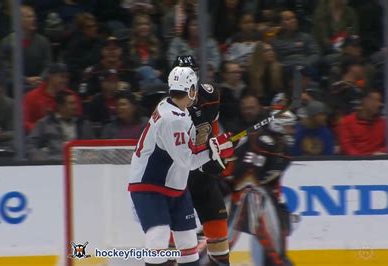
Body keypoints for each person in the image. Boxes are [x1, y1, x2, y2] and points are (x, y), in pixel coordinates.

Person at [127, 66, 234, 266]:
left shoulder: (173, 108)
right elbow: (188, 161)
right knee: (159, 236)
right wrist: (215, 151)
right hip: (151, 186)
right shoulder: (172, 119)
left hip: (174, 186)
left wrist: (214, 146)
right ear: (192, 91)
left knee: (187, 240)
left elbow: (190, 147)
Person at [173, 56, 231, 265]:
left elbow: (213, 130)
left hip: (203, 178)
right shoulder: (168, 108)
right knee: (173, 246)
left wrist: (218, 149)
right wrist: (207, 155)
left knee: (220, 239)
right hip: (177, 182)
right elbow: (175, 153)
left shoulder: (211, 94)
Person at [227, 106, 297, 266]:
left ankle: (275, 259)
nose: (292, 130)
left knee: (282, 224)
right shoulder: (262, 141)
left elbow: (272, 180)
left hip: (258, 193)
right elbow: (246, 177)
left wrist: (276, 199)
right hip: (240, 193)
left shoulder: (281, 148)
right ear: (278, 125)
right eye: (288, 126)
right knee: (226, 236)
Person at [26, 90, 94, 161]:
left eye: (75, 103)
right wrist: (43, 160)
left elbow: (92, 147)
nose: (75, 106)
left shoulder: (83, 124)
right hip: (53, 164)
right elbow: (30, 145)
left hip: (79, 164)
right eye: (71, 103)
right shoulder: (45, 124)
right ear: (60, 106)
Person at [338, 88, 386, 155]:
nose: (379, 104)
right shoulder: (347, 122)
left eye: (380, 101)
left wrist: (379, 153)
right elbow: (347, 147)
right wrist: (362, 161)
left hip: (377, 162)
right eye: (376, 101)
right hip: (354, 163)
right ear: (365, 101)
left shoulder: (383, 123)